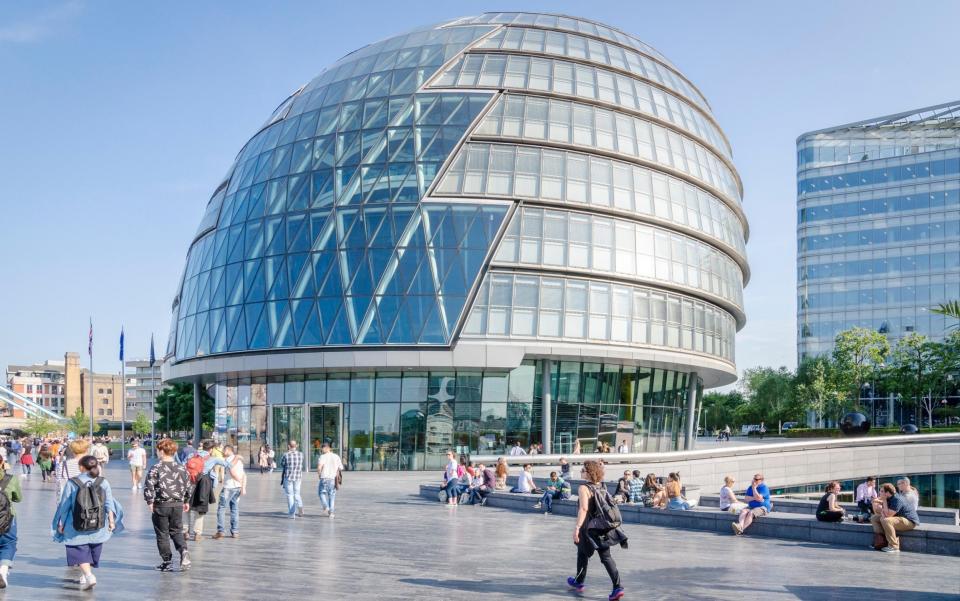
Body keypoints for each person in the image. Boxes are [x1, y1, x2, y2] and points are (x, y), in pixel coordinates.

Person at [52, 455, 123, 591]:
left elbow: (65, 505)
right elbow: (109, 503)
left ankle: (89, 576)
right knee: (92, 548)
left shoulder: (73, 483)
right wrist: (111, 521)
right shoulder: (103, 482)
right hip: (98, 523)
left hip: (76, 524)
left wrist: (60, 523)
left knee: (79, 548)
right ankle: (85, 574)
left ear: (81, 467)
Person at [568, 460, 625, 601]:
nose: (581, 471)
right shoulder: (601, 485)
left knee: (582, 553)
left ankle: (579, 582)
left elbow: (584, 509)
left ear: (588, 473)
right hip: (603, 526)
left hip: (589, 528)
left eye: (582, 470)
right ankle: (617, 587)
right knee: (605, 557)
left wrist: (577, 528)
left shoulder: (584, 488)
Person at [143, 438, 192, 572]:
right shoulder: (181, 467)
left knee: (162, 534)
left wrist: (150, 501)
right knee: (177, 530)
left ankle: (167, 561)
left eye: (158, 450)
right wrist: (186, 501)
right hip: (177, 505)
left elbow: (149, 485)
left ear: (162, 451)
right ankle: (183, 551)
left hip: (161, 505)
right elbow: (188, 486)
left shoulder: (156, 468)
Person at [186, 440, 229, 540]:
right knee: (200, 509)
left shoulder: (192, 455)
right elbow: (227, 464)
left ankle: (185, 532)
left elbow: (184, 464)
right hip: (202, 484)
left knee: (186, 508)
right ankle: (197, 534)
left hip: (189, 483)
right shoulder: (213, 459)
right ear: (211, 449)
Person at [870, 482, 920, 553]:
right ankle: (881, 541)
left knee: (886, 520)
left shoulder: (897, 499)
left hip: (909, 521)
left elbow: (887, 515)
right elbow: (880, 512)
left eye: (881, 491)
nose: (879, 493)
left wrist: (883, 501)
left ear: (887, 493)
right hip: (898, 518)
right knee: (874, 518)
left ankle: (894, 546)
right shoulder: (889, 498)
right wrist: (875, 503)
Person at [214, 445, 246, 538]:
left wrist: (238, 480)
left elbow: (231, 470)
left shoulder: (229, 459)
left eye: (224, 450)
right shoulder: (239, 460)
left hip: (229, 487)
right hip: (237, 488)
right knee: (234, 509)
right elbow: (243, 474)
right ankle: (235, 531)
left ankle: (221, 531)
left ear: (228, 450)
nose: (223, 452)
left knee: (222, 508)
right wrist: (242, 486)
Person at [0, 457, 23, 588]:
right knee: (8, 544)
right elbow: (18, 498)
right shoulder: (11, 478)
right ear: (2, 463)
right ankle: (3, 571)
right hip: (7, 518)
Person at [316, 442, 343, 518]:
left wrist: (319, 474)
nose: (322, 450)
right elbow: (341, 467)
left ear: (327, 448)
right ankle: (331, 513)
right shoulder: (336, 456)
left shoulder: (323, 457)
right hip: (333, 479)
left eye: (323, 448)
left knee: (321, 493)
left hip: (324, 478)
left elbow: (319, 467)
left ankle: (326, 507)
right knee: (332, 496)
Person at [280, 440, 304, 518]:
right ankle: (300, 507)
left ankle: (292, 513)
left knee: (290, 495)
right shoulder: (301, 454)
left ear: (289, 446)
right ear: (296, 446)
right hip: (298, 477)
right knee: (297, 493)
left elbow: (282, 464)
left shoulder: (286, 455)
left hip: (288, 477)